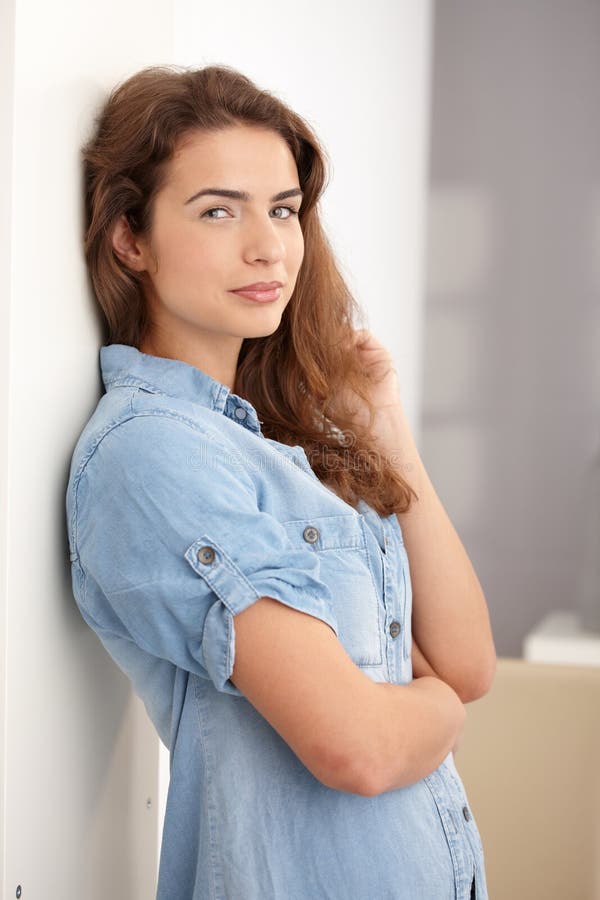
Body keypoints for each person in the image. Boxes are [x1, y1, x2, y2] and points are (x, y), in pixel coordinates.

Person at [65, 63, 496, 900]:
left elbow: (468, 661)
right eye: (218, 210)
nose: (268, 246)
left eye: (284, 209)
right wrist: (437, 713)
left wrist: (387, 435)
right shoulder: (153, 453)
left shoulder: (277, 445)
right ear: (131, 237)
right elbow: (360, 747)